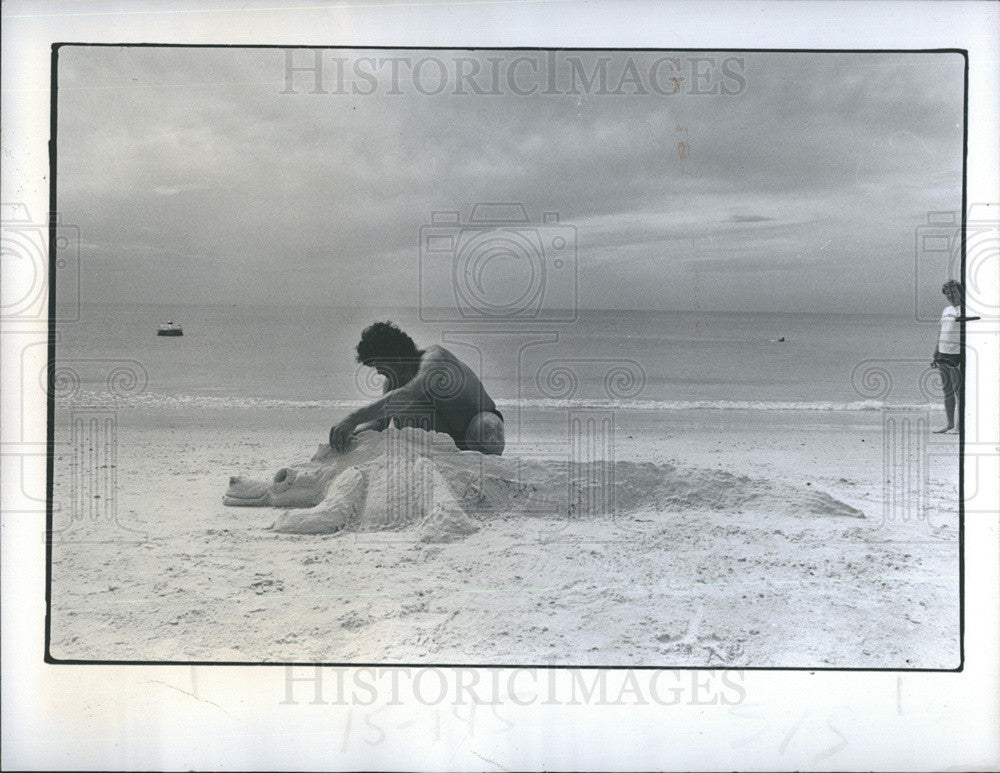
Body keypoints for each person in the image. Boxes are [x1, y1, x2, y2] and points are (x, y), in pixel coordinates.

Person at [329, 321, 505, 455]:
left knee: (485, 427)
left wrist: (351, 419)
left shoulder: (435, 358)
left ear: (395, 357)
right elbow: (379, 422)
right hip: (443, 448)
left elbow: (409, 393)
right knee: (397, 408)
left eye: (378, 364)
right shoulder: (393, 384)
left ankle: (489, 469)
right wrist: (352, 435)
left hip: (476, 428)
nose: (378, 372)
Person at [930, 280, 972, 434]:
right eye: (947, 293)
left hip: (956, 354)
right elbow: (941, 331)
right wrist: (935, 352)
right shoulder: (946, 309)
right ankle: (949, 424)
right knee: (947, 390)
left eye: (953, 292)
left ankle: (960, 426)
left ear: (960, 292)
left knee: (958, 391)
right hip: (942, 352)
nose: (950, 295)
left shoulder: (966, 310)